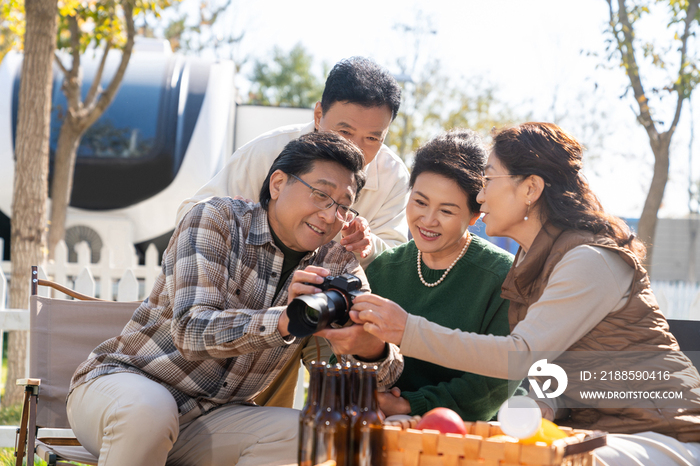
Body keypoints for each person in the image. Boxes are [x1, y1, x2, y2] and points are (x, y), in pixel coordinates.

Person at [352, 122, 700, 465]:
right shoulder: (534, 261)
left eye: (488, 179)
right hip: (593, 431)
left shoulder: (589, 260)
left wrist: (407, 330)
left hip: (663, 434)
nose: (481, 195)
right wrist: (543, 405)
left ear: (530, 188)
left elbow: (522, 355)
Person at [67, 132, 404, 466]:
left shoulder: (339, 260)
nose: (331, 216)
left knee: (313, 433)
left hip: (214, 418)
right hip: (126, 388)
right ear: (277, 183)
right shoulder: (216, 220)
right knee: (149, 413)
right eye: (320, 195)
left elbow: (386, 375)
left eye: (343, 206)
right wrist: (285, 320)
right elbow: (190, 330)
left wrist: (370, 347)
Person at [176, 56, 409, 269]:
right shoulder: (267, 152)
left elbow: (395, 261)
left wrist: (369, 246)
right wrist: (227, 217)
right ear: (318, 115)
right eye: (345, 131)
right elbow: (189, 215)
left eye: (372, 138)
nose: (355, 148)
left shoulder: (394, 176)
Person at [361, 129, 518, 421]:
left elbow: (497, 380)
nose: (428, 220)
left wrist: (410, 405)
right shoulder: (383, 269)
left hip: (466, 431)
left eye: (446, 211)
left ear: (474, 216)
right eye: (420, 202)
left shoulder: (503, 277)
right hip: (378, 420)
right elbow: (348, 355)